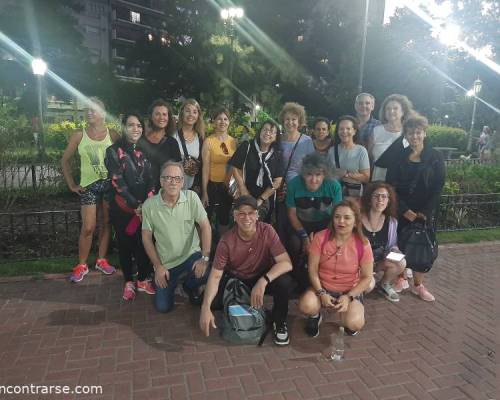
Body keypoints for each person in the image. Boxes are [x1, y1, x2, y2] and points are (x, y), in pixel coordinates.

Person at [199, 195, 294, 345]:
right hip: (237, 278)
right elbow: (216, 276)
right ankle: (235, 303)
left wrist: (263, 281)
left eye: (251, 213)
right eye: (241, 213)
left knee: (285, 282)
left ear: (257, 215)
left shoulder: (267, 231)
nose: (246, 217)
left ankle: (279, 321)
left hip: (261, 275)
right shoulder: (226, 240)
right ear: (235, 216)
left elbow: (286, 263)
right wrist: (205, 307)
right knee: (207, 301)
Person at [386, 115, 445, 302]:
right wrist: (404, 210)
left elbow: (438, 187)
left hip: (425, 212)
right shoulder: (399, 156)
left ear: (424, 133)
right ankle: (400, 277)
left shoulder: (435, 156)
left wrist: (425, 212)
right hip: (402, 210)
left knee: (422, 247)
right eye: (410, 132)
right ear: (406, 134)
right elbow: (390, 186)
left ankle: (418, 285)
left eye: (418, 132)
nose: (414, 136)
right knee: (397, 244)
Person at [61, 97, 119, 283]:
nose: (89, 112)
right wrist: (71, 184)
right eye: (87, 110)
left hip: (109, 185)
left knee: (107, 223)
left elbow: (123, 158)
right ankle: (82, 264)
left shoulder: (114, 134)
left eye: (94, 109)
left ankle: (101, 260)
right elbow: (64, 160)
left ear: (103, 113)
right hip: (89, 186)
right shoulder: (79, 135)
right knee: (88, 227)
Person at [142, 161, 212, 313]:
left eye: (177, 178)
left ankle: (188, 286)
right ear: (161, 181)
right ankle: (173, 282)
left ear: (183, 182)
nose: (173, 182)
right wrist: (158, 267)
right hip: (167, 263)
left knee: (208, 273)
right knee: (163, 307)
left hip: (191, 256)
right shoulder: (149, 205)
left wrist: (204, 258)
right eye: (168, 178)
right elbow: (146, 238)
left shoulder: (192, 198)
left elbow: (205, 226)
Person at [299, 200, 374, 337]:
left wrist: (348, 297)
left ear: (356, 221)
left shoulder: (363, 244)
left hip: (350, 290)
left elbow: (367, 277)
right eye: (337, 217)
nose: (341, 221)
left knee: (354, 324)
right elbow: (312, 270)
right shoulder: (320, 237)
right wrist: (321, 293)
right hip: (323, 286)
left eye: (347, 217)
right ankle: (315, 316)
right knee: (306, 305)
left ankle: (348, 317)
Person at [105, 113, 155, 300]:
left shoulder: (145, 148)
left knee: (144, 243)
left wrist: (148, 201)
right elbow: (117, 180)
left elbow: (152, 177)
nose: (136, 129)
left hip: (144, 208)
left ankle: (142, 279)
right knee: (125, 245)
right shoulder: (113, 151)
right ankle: (128, 280)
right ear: (123, 127)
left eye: (139, 125)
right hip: (124, 208)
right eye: (131, 125)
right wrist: (135, 204)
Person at [285, 153, 343, 290]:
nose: (314, 179)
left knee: (326, 246)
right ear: (303, 174)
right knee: (294, 245)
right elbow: (292, 214)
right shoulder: (294, 185)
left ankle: (325, 278)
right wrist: (305, 237)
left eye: (319, 175)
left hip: (325, 225)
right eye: (309, 174)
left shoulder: (334, 186)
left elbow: (337, 215)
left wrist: (319, 237)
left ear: (325, 174)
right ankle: (296, 278)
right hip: (301, 224)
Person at [229, 119, 283, 222]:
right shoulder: (247, 146)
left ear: (276, 137)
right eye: (265, 130)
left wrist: (261, 200)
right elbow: (235, 168)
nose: (267, 133)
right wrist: (244, 191)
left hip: (266, 199)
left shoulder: (277, 155)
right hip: (245, 194)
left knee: (261, 229)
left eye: (271, 131)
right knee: (244, 224)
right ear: (260, 132)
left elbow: (278, 181)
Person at [360, 182, 406, 302]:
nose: (380, 199)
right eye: (376, 196)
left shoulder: (391, 222)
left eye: (384, 196)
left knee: (401, 262)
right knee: (368, 286)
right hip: (360, 265)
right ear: (369, 199)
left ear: (388, 201)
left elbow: (392, 245)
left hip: (378, 262)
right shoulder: (357, 220)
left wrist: (395, 251)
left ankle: (384, 284)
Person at [276, 102, 315, 241]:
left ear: (299, 122)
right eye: (287, 119)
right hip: (280, 190)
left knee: (297, 230)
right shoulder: (278, 140)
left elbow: (311, 168)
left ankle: (297, 260)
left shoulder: (307, 141)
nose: (290, 122)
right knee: (281, 227)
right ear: (282, 120)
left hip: (299, 191)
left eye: (294, 119)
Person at [201, 107, 237, 235]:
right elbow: (205, 168)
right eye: (219, 119)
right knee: (206, 217)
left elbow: (237, 168)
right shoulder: (208, 141)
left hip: (227, 185)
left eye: (225, 119)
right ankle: (205, 248)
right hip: (212, 185)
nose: (222, 122)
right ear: (214, 122)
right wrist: (204, 192)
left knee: (224, 218)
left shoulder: (234, 142)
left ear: (229, 122)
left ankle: (223, 246)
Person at [368, 94, 414, 182]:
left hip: (401, 182)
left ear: (403, 111)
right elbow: (369, 158)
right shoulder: (376, 131)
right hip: (378, 181)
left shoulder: (410, 132)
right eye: (388, 109)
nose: (391, 111)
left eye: (395, 108)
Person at [139, 99, 182, 190]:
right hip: (141, 192)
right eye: (157, 114)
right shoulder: (140, 141)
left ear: (168, 117)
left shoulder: (172, 143)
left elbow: (178, 172)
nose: (161, 117)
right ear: (151, 117)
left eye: (164, 114)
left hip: (164, 193)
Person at [327, 115, 370, 202]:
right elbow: (327, 173)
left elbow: (366, 177)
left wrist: (347, 174)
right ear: (337, 131)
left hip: (353, 196)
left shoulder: (361, 150)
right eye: (341, 129)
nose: (344, 131)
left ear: (354, 131)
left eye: (348, 128)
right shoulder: (332, 150)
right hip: (334, 195)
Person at [172, 99, 205, 193]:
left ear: (198, 115)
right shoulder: (173, 135)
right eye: (187, 111)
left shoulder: (200, 138)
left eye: (194, 112)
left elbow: (202, 164)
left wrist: (198, 185)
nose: (191, 114)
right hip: (174, 187)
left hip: (192, 188)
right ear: (182, 113)